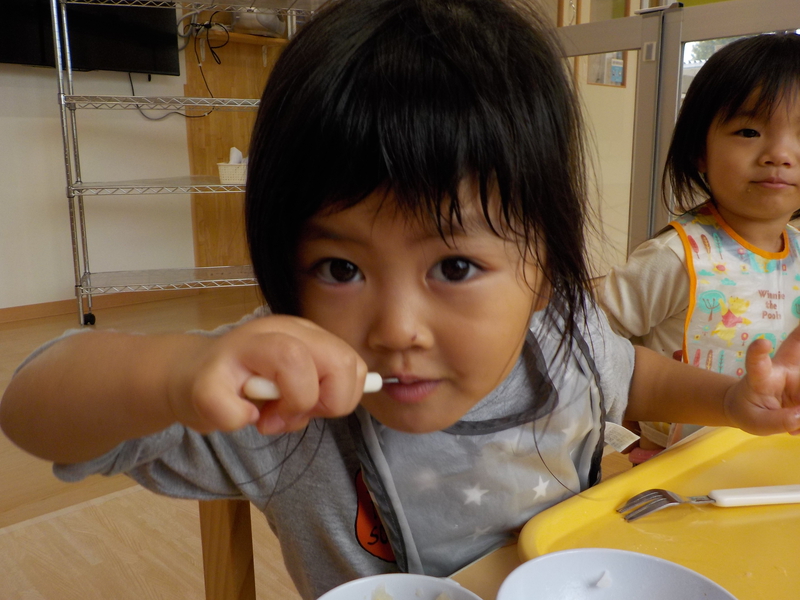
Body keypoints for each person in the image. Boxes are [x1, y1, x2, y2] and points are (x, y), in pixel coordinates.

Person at [1, 2, 799, 598]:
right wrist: (179, 370)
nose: (395, 329)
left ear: (546, 269)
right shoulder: (287, 404)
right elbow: (31, 404)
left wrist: (732, 399)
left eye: (453, 267)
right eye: (339, 269)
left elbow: (637, 378)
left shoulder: (561, 334)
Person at [600, 33, 800, 462]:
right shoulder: (675, 258)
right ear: (699, 152)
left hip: (771, 459)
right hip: (674, 465)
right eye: (749, 130)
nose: (780, 154)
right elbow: (583, 342)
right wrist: (621, 438)